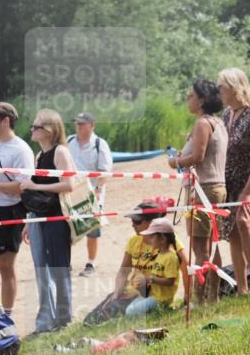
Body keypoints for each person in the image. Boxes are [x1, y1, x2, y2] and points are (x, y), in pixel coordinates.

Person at [168, 79, 228, 301]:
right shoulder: (218, 122)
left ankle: (201, 298)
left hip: (204, 188)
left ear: (201, 100)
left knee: (200, 246)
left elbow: (198, 157)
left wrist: (176, 161)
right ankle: (212, 295)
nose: (187, 99)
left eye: (190, 95)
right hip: (215, 187)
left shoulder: (203, 124)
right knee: (211, 244)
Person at [18, 109, 77, 333]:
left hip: (57, 217)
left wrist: (35, 186)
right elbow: (37, 196)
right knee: (41, 269)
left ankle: (63, 319)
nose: (31, 130)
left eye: (36, 127)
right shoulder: (39, 156)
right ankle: (47, 319)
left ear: (50, 130)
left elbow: (69, 185)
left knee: (59, 267)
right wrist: (27, 221)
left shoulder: (60, 152)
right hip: (38, 217)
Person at [84, 197, 183, 324]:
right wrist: (117, 292)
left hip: (152, 295)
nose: (132, 225)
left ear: (151, 222)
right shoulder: (134, 240)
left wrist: (187, 300)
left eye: (137, 221)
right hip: (133, 290)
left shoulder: (168, 241)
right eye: (132, 221)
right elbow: (124, 271)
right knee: (91, 319)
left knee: (118, 314)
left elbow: (186, 267)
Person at [217, 68, 250, 294]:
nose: (219, 91)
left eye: (222, 87)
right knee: (232, 233)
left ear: (234, 87)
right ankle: (242, 287)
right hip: (229, 182)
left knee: (245, 222)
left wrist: (248, 190)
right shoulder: (225, 115)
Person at [0, 102, 34, 318]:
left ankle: (7, 316)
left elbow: (23, 187)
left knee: (5, 265)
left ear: (5, 120)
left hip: (10, 211)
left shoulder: (21, 149)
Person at [67, 112, 113, 277]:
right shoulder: (69, 141)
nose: (78, 126)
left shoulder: (100, 144)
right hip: (70, 192)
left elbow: (105, 172)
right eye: (77, 123)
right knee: (67, 227)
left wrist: (97, 191)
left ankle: (91, 264)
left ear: (92, 125)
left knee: (92, 229)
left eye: (82, 124)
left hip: (91, 193)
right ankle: (67, 263)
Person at [124, 218, 184, 317]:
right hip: (153, 295)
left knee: (130, 312)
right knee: (128, 308)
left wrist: (151, 279)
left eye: (152, 237)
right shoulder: (159, 254)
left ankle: (161, 309)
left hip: (161, 299)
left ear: (162, 239)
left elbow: (170, 281)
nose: (150, 240)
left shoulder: (171, 257)